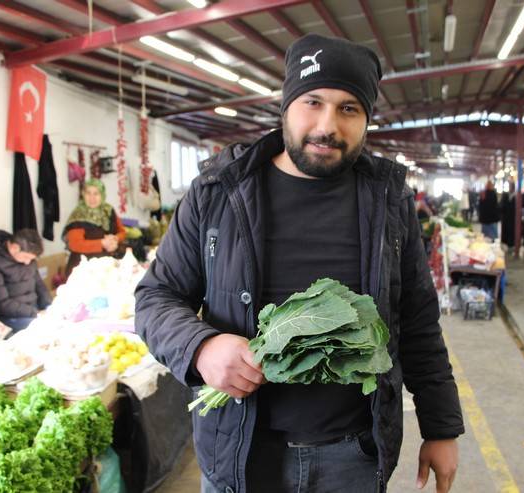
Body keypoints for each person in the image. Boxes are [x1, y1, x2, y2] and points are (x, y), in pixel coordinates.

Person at [135, 34, 463, 493]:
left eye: (349, 108)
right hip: (241, 454)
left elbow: (418, 319)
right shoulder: (219, 192)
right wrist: (201, 348)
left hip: (353, 455)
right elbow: (156, 297)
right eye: (313, 101)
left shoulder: (388, 200)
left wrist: (441, 425)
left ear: (367, 120)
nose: (327, 125)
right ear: (286, 105)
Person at [0, 228, 52, 332]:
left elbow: (39, 285)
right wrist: (36, 313)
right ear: (15, 248)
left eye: (31, 259)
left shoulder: (28, 259)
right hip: (10, 316)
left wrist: (49, 305)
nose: (27, 262)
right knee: (46, 329)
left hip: (33, 310)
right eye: (26, 257)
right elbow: (1, 304)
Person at [62, 178, 126, 276]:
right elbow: (75, 244)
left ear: (102, 195)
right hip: (83, 269)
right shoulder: (78, 215)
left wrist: (115, 239)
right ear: (83, 194)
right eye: (88, 193)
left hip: (106, 267)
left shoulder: (108, 210)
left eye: (96, 193)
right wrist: (102, 243)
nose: (92, 198)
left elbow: (122, 231)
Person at [499, 184, 516, 249]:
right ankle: (506, 242)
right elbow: (501, 205)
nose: (510, 188)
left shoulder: (516, 196)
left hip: (512, 217)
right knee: (506, 230)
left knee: (511, 230)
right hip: (506, 217)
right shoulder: (505, 195)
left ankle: (511, 243)